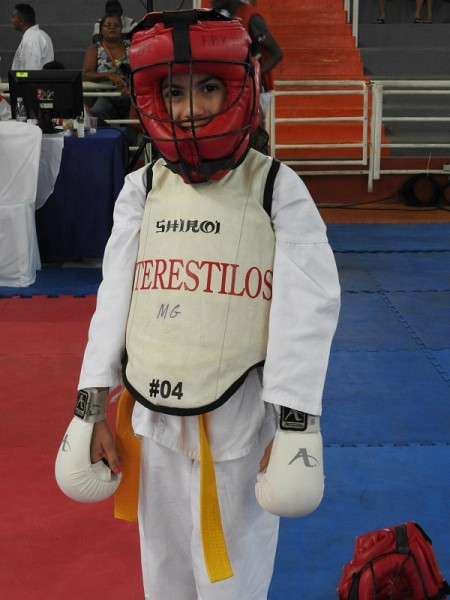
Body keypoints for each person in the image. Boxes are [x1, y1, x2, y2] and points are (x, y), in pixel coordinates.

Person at [55, 10, 340, 600]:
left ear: (239, 89)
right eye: (175, 93)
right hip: (153, 419)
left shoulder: (274, 186)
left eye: (208, 88)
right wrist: (91, 405)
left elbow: (307, 309)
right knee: (163, 574)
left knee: (232, 581)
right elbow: (115, 296)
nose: (190, 109)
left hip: (239, 423)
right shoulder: (143, 187)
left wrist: (295, 422)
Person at [211, 0, 283, 117]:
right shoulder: (226, 18)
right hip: (235, 89)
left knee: (251, 127)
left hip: (255, 91)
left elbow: (276, 53)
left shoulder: (252, 18)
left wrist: (251, 76)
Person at [82, 13, 131, 122]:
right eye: (107, 25)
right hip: (106, 96)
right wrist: (108, 75)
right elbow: (86, 74)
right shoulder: (94, 49)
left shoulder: (132, 47)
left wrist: (131, 86)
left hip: (129, 96)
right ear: (101, 30)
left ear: (121, 29)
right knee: (96, 118)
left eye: (116, 25)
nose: (112, 28)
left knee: (133, 126)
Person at [11, 3, 54, 70]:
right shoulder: (42, 35)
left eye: (13, 17)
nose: (11, 20)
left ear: (21, 21)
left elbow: (31, 72)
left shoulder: (31, 39)